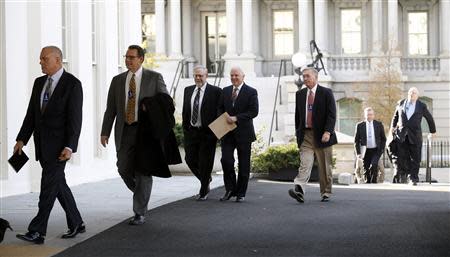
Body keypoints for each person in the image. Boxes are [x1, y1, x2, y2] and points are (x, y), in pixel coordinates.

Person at [14, 46, 84, 244]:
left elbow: (75, 120)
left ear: (58, 60)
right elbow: (32, 115)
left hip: (60, 148)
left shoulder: (72, 85)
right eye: (40, 59)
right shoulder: (39, 83)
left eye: (44, 59)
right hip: (42, 146)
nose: (41, 62)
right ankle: (77, 222)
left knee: (47, 188)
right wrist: (21, 139)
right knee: (57, 184)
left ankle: (37, 231)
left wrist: (70, 146)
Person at [100, 45, 168, 225]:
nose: (128, 60)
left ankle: (139, 211)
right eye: (126, 57)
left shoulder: (154, 78)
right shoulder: (117, 80)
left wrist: (149, 105)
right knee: (123, 168)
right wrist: (104, 131)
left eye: (131, 57)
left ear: (141, 59)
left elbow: (166, 102)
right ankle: (141, 194)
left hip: (145, 132)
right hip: (125, 130)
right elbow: (111, 109)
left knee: (143, 170)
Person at [289, 67, 337, 203]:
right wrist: (298, 133)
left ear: (316, 77)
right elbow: (297, 117)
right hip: (306, 135)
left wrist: (328, 132)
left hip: (323, 135)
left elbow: (332, 115)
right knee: (305, 163)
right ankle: (299, 189)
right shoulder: (300, 94)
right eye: (303, 76)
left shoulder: (326, 93)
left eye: (307, 76)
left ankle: (326, 192)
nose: (305, 79)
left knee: (324, 167)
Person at [218, 67, 259, 202]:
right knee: (226, 160)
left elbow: (253, 112)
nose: (234, 77)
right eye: (232, 75)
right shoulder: (225, 91)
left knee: (244, 164)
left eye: (236, 75)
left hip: (244, 133)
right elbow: (220, 108)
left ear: (243, 76)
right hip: (227, 132)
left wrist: (236, 118)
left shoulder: (251, 92)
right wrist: (223, 118)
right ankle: (230, 189)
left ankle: (240, 193)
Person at [182, 66, 222, 201]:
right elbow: (185, 112)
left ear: (206, 76)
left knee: (206, 163)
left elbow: (220, 113)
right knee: (189, 159)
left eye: (201, 76)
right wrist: (185, 129)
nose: (198, 78)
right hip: (192, 132)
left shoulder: (215, 91)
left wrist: (215, 133)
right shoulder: (188, 90)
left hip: (208, 133)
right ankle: (206, 178)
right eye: (196, 75)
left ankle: (204, 189)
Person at [391, 87, 436, 185]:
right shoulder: (401, 103)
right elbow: (395, 117)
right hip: (402, 135)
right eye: (410, 92)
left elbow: (429, 118)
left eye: (414, 93)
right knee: (403, 157)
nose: (412, 94)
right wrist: (392, 127)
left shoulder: (421, 106)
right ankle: (407, 175)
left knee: (416, 158)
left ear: (417, 95)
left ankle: (413, 178)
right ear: (408, 94)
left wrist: (432, 131)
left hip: (415, 135)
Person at [354, 107, 386, 183]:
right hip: (365, 150)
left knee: (374, 165)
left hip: (376, 150)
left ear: (373, 115)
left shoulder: (378, 124)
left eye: (371, 114)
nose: (370, 116)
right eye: (368, 115)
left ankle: (374, 181)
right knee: (366, 168)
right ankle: (368, 181)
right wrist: (358, 153)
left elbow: (383, 139)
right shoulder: (360, 125)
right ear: (365, 115)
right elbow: (356, 140)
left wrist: (381, 149)